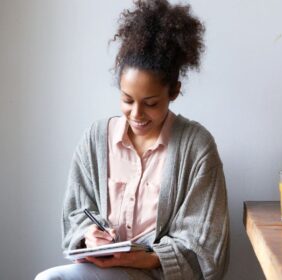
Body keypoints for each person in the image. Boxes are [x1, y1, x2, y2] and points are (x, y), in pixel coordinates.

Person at [35, 0, 229, 279]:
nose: (136, 114)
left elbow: (205, 246)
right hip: (101, 270)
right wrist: (90, 237)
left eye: (150, 103)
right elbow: (76, 214)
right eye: (127, 100)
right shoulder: (95, 140)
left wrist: (147, 258)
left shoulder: (197, 147)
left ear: (174, 91)